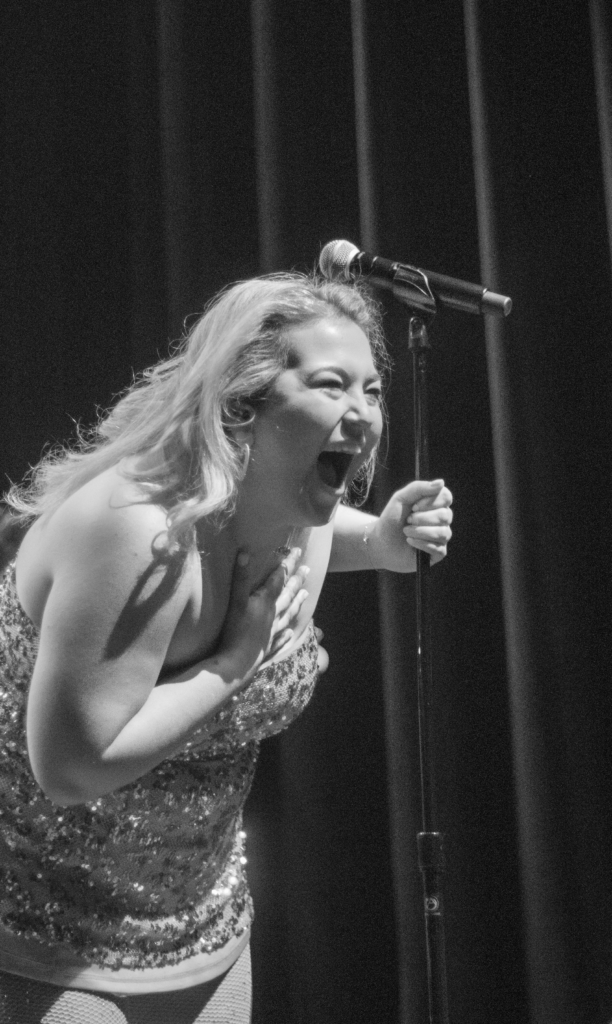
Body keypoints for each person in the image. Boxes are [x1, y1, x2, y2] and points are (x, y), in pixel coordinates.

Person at [0, 273, 453, 1023]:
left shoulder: (295, 513)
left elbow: (286, 531)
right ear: (243, 403)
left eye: (372, 391)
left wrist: (381, 540)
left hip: (199, 926)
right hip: (39, 927)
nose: (364, 413)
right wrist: (232, 667)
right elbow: (71, 768)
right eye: (332, 384)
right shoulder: (137, 531)